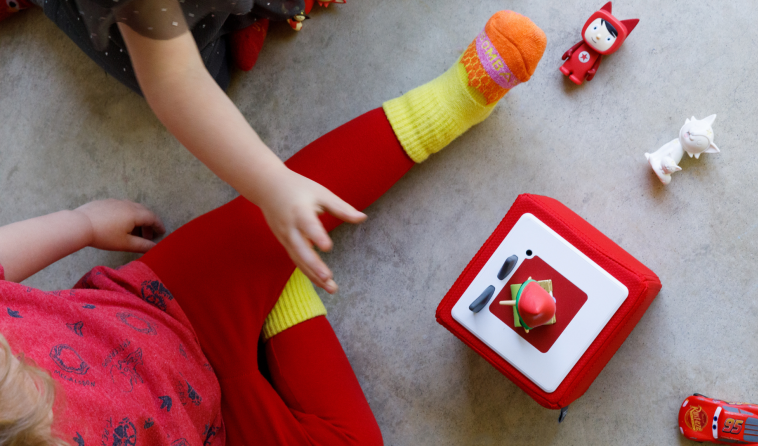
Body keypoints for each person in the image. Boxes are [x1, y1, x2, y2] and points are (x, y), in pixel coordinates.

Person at [0, 10, 546, 444]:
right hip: (212, 425)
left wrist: (82, 223)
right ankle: (273, 274)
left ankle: (459, 96)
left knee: (283, 199)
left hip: (161, 304)